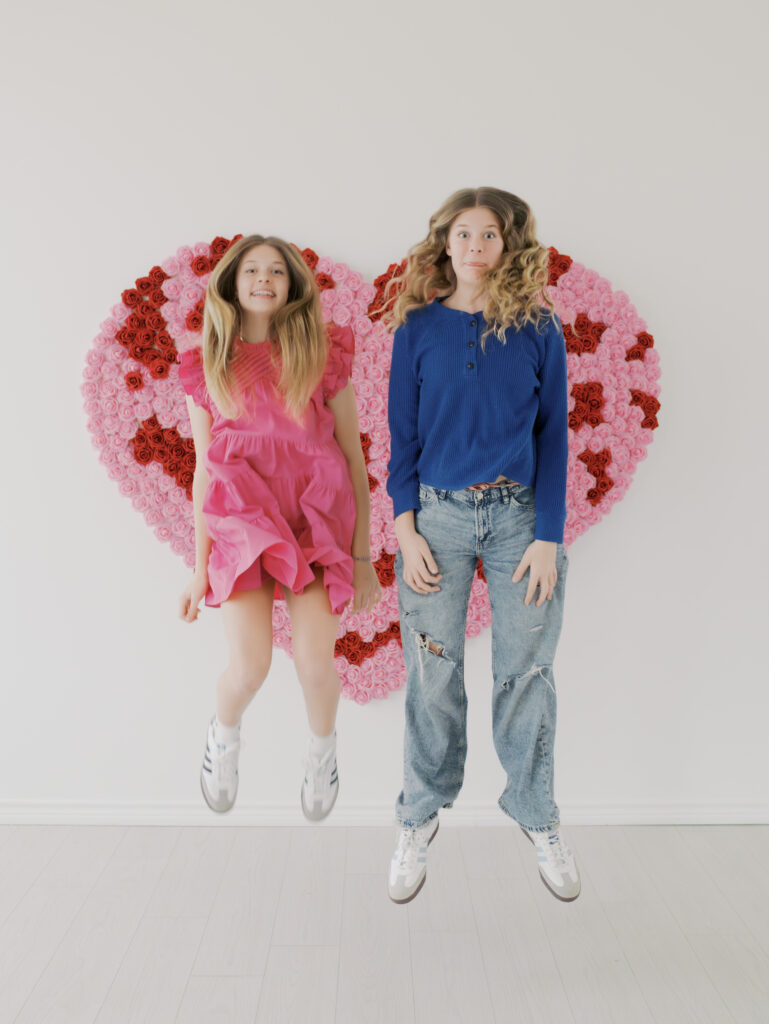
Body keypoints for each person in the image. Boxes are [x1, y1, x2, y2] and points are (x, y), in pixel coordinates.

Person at [384, 188, 580, 903]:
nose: (474, 245)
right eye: (461, 233)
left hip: (519, 522)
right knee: (431, 673)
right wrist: (404, 528)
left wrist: (547, 538)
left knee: (524, 672)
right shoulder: (416, 329)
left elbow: (554, 437)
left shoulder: (537, 328)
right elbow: (402, 436)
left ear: (508, 245)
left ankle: (537, 816)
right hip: (434, 520)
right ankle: (418, 816)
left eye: (488, 234)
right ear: (444, 244)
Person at [178, 234, 381, 820]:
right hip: (242, 523)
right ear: (231, 283)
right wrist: (198, 572)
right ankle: (223, 738)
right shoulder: (207, 364)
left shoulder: (321, 356)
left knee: (316, 665)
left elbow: (353, 461)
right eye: (251, 271)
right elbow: (202, 472)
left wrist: (362, 556)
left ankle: (322, 755)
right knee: (251, 668)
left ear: (291, 285)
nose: (264, 280)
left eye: (276, 272)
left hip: (316, 520)